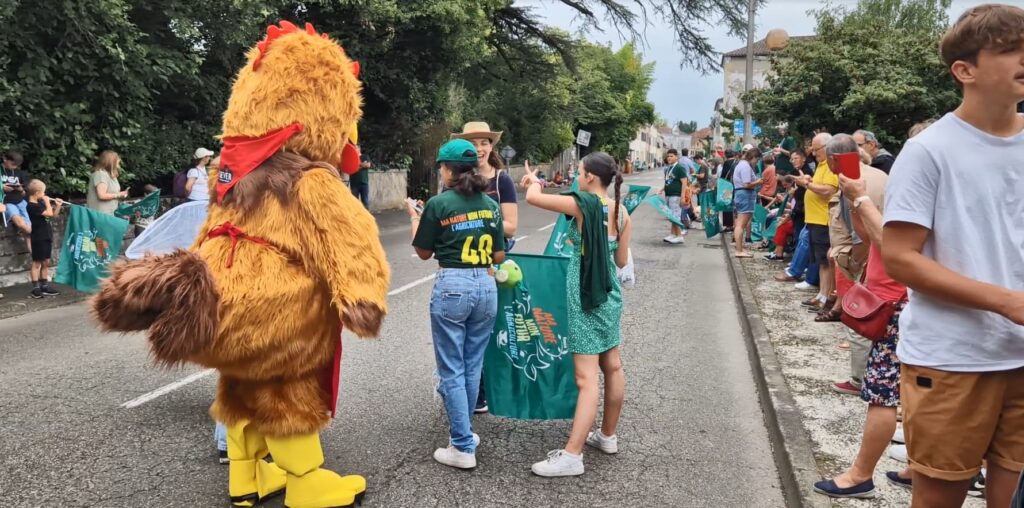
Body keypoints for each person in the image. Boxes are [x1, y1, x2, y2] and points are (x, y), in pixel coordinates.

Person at [882, 6, 1024, 507]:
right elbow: (900, 256)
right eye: (1010, 50)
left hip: (1021, 358)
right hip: (953, 358)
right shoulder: (930, 151)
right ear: (965, 70)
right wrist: (1006, 302)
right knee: (940, 497)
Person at [813, 135, 910, 499]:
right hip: (899, 293)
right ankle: (917, 464)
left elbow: (889, 243)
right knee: (915, 388)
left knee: (883, 393)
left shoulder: (872, 185)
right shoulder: (889, 184)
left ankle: (860, 475)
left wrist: (859, 198)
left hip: (894, 296)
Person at [520, 152, 629, 478]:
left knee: (585, 379)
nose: (576, 178)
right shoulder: (622, 212)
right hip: (610, 297)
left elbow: (532, 198)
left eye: (579, 173)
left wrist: (533, 180)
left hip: (585, 299)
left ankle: (572, 455)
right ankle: (607, 436)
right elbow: (621, 262)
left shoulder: (583, 204)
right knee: (612, 365)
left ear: (591, 178)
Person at [408, 138, 505, 469]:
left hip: (453, 285)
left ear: (447, 170)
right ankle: (462, 435)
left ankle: (463, 445)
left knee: (451, 367)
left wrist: (415, 218)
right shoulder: (491, 205)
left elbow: (423, 252)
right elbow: (499, 255)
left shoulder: (438, 204)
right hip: (487, 285)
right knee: (472, 364)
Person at [450, 121, 518, 414]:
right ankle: (467, 392)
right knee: (459, 331)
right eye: (473, 144)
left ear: (492, 146)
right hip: (458, 262)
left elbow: (512, 228)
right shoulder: (454, 178)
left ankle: (486, 391)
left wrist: (476, 223)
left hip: (492, 263)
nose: (479, 149)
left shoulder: (502, 180)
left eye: (484, 143)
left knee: (486, 331)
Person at [794, 133, 837, 312]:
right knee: (819, 261)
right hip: (814, 220)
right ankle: (821, 294)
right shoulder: (821, 165)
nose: (813, 152)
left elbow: (828, 190)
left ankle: (826, 297)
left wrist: (807, 185)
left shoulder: (831, 166)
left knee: (825, 261)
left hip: (823, 220)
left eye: (816, 149)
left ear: (827, 147)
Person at [24, 180, 62, 299]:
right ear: (37, 193)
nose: (45, 195)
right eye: (43, 192)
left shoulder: (40, 203)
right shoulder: (31, 206)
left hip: (47, 236)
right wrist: (47, 202)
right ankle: (36, 287)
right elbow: (49, 213)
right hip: (38, 237)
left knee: (46, 262)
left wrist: (58, 206)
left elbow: (53, 215)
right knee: (37, 263)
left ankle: (44, 285)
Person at [731, 147, 760, 258]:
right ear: (753, 157)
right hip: (745, 195)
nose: (756, 162)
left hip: (741, 194)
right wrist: (759, 181)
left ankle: (740, 248)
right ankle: (739, 250)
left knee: (739, 223)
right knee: (741, 224)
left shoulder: (741, 165)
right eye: (756, 160)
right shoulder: (745, 166)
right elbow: (747, 184)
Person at [86, 150, 129, 215]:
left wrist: (121, 195)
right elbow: (101, 195)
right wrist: (119, 194)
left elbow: (112, 194)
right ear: (111, 162)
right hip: (100, 214)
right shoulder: (100, 174)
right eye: (117, 161)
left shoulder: (111, 176)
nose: (118, 163)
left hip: (110, 213)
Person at [3, 150, 32, 244]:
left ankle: (35, 255)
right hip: (7, 202)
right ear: (5, 159)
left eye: (16, 165)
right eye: (13, 164)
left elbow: (25, 191)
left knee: (29, 232)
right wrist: (2, 187)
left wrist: (21, 189)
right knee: (25, 227)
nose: (14, 167)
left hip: (20, 201)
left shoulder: (19, 173)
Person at [660, 148, 686, 244]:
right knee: (670, 215)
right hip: (668, 194)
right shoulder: (669, 168)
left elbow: (684, 182)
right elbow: (668, 181)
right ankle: (673, 234)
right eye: (668, 156)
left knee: (675, 215)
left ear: (676, 157)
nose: (669, 158)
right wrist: (662, 189)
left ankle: (679, 236)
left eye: (671, 156)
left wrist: (682, 196)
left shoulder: (679, 168)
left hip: (676, 195)